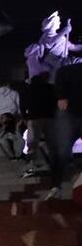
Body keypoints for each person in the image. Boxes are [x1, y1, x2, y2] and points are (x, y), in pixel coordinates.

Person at [49, 62, 82, 199]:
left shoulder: (65, 70)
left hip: (69, 113)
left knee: (62, 150)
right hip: (70, 113)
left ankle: (56, 186)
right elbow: (61, 78)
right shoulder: (68, 70)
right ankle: (56, 186)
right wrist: (61, 96)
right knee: (62, 150)